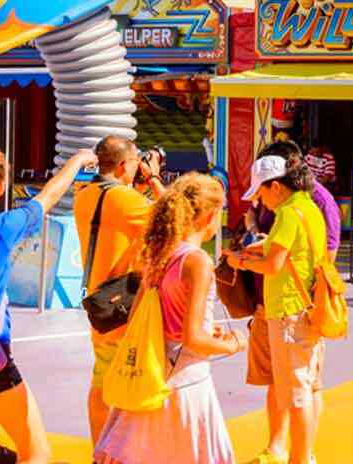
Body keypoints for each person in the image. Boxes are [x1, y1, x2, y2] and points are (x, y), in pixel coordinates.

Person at [94, 174, 243, 464]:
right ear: (211, 215)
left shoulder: (158, 257)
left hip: (149, 378)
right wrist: (233, 344)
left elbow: (138, 318)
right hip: (186, 383)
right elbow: (193, 338)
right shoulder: (198, 262)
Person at [223, 154, 328, 464]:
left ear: (277, 187)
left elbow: (273, 265)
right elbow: (293, 251)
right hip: (307, 308)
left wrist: (238, 260)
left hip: (287, 312)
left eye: (262, 193)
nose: (261, 201)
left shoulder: (287, 214)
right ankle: (303, 454)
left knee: (296, 396)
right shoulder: (308, 207)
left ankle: (298, 458)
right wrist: (263, 246)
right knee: (307, 388)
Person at [0, 148, 95, 464]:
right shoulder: (6, 227)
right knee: (36, 453)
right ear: (1, 187)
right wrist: (78, 161)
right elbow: (48, 197)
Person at [74, 136, 166, 444]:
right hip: (127, 306)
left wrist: (135, 186)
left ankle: (99, 450)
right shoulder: (125, 201)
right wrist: (153, 176)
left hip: (101, 303)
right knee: (134, 383)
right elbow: (174, 217)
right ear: (126, 164)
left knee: (101, 382)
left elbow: (118, 221)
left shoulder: (85, 194)